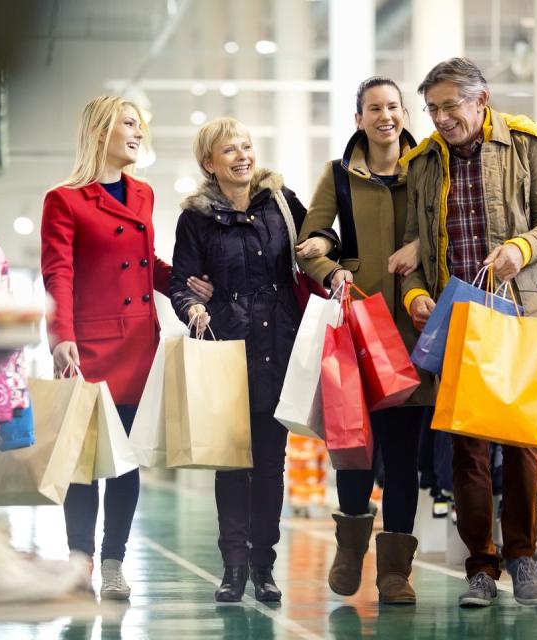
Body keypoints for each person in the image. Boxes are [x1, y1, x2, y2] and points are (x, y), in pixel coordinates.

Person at [400, 57, 537, 607]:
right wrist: (415, 294)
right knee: (467, 447)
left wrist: (521, 248)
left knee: (522, 441)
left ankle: (523, 557)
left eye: (451, 106)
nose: (442, 118)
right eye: (432, 110)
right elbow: (417, 242)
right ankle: (480, 567)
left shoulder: (527, 146)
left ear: (481, 100)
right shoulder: (423, 162)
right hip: (461, 320)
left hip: (520, 314)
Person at [40, 96, 212, 600]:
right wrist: (61, 337)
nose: (139, 134)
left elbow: (143, 260)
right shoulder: (64, 199)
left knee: (125, 462)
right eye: (130, 124)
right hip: (88, 348)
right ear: (101, 132)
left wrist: (182, 282)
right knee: (84, 463)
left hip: (138, 342)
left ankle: (113, 563)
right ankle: (79, 564)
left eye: (142, 126)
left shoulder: (143, 193)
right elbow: (59, 272)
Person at [296, 76, 434, 605]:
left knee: (403, 458)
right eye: (374, 108)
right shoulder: (337, 175)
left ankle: (395, 572)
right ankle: (350, 548)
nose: (385, 116)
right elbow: (309, 244)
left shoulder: (427, 167)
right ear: (359, 119)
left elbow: (440, 227)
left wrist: (421, 246)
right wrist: (332, 272)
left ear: (404, 113)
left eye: (393, 107)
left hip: (412, 329)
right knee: (353, 448)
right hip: (354, 332)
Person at [169, 117, 310, 604]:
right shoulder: (196, 219)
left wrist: (326, 247)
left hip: (281, 345)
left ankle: (263, 566)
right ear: (210, 163)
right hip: (228, 347)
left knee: (271, 466)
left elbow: (316, 244)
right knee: (231, 464)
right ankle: (232, 567)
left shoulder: (283, 203)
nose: (242, 156)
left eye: (246, 146)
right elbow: (180, 283)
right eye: (229, 150)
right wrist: (194, 306)